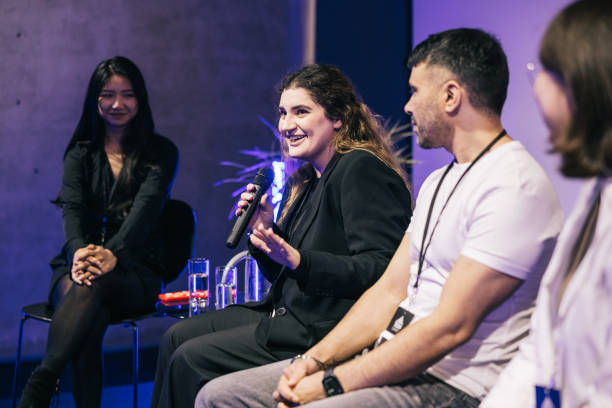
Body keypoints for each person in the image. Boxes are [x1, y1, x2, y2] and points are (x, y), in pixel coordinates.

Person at [195, 28, 565, 408]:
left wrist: (332, 383)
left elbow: (448, 328)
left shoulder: (513, 186)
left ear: (451, 96)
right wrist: (313, 362)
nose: (407, 106)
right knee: (218, 396)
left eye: (416, 91)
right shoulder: (439, 181)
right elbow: (388, 291)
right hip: (393, 354)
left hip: (453, 383)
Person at [150, 64, 413, 408]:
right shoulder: (308, 178)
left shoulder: (359, 168)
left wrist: (298, 260)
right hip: (285, 312)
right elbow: (288, 273)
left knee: (190, 359)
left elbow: (380, 270)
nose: (287, 125)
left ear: (337, 118)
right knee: (175, 337)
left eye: (301, 112)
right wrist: (265, 232)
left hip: (321, 328)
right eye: (283, 114)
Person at [18, 56, 178, 408]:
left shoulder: (161, 152)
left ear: (141, 99)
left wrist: (114, 253)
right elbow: (72, 210)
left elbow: (146, 211)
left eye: (127, 95)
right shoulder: (80, 153)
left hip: (136, 271)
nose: (117, 104)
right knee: (89, 311)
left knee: (91, 287)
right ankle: (45, 389)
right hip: (79, 265)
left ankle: (40, 385)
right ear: (95, 99)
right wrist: (78, 251)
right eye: (107, 94)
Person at [482, 1, 612, 406]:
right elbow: (543, 347)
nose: (536, 86)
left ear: (587, 82)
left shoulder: (517, 180)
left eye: (545, 73)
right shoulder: (598, 189)